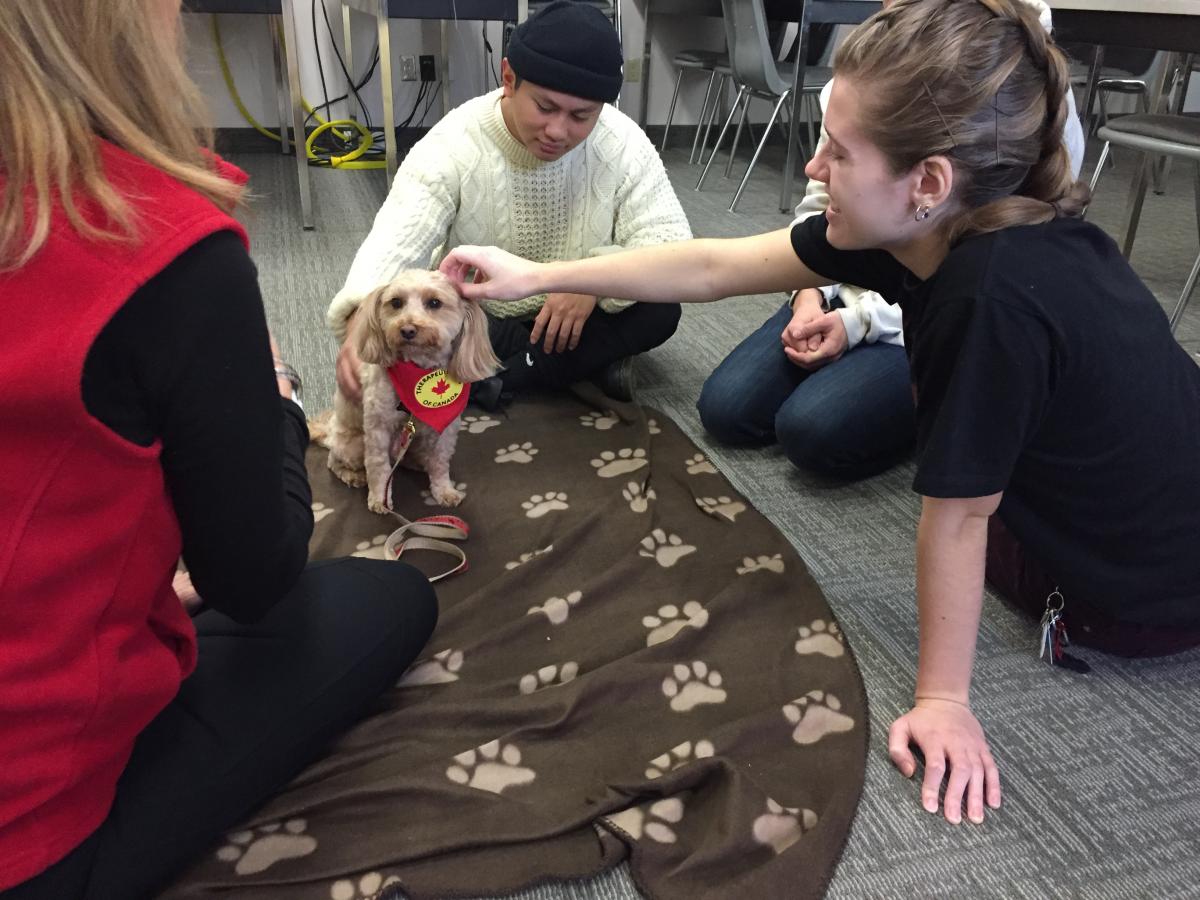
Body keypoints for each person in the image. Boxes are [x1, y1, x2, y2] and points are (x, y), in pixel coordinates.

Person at [440, 0, 1200, 827]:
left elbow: (959, 519)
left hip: (1143, 595)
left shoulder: (988, 298)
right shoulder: (940, 221)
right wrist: (535, 273)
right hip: (1152, 475)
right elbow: (713, 265)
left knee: (931, 477)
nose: (810, 167)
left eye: (837, 151)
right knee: (767, 406)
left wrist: (942, 697)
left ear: (928, 183)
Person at [0, 3, 437, 897]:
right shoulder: (163, 242)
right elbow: (255, 575)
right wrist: (277, 398)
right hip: (32, 827)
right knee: (391, 594)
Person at [696, 0, 1086, 480]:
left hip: (908, 323)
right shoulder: (872, 82)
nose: (813, 165)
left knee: (811, 430)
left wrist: (859, 323)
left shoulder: (979, 282)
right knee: (728, 409)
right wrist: (808, 297)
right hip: (851, 286)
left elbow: (960, 520)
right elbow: (733, 256)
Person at [328, 0, 692, 411]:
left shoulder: (623, 142)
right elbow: (397, 236)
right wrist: (361, 316)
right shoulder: (454, 141)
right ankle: (574, 371)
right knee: (444, 321)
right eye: (545, 107)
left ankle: (492, 382)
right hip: (488, 314)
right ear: (508, 78)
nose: (558, 131)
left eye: (581, 116)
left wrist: (590, 280)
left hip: (573, 311)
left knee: (661, 308)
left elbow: (671, 247)